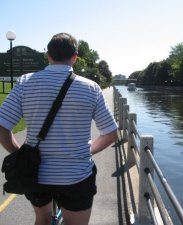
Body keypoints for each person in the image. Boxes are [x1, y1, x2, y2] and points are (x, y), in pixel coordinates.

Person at [0, 32, 118, 225]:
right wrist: (87, 151)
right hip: (77, 176)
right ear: (75, 57)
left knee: (42, 219)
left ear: (48, 55)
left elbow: (2, 127)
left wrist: (20, 153)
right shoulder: (91, 88)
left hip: (35, 173)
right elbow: (111, 134)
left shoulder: (25, 82)